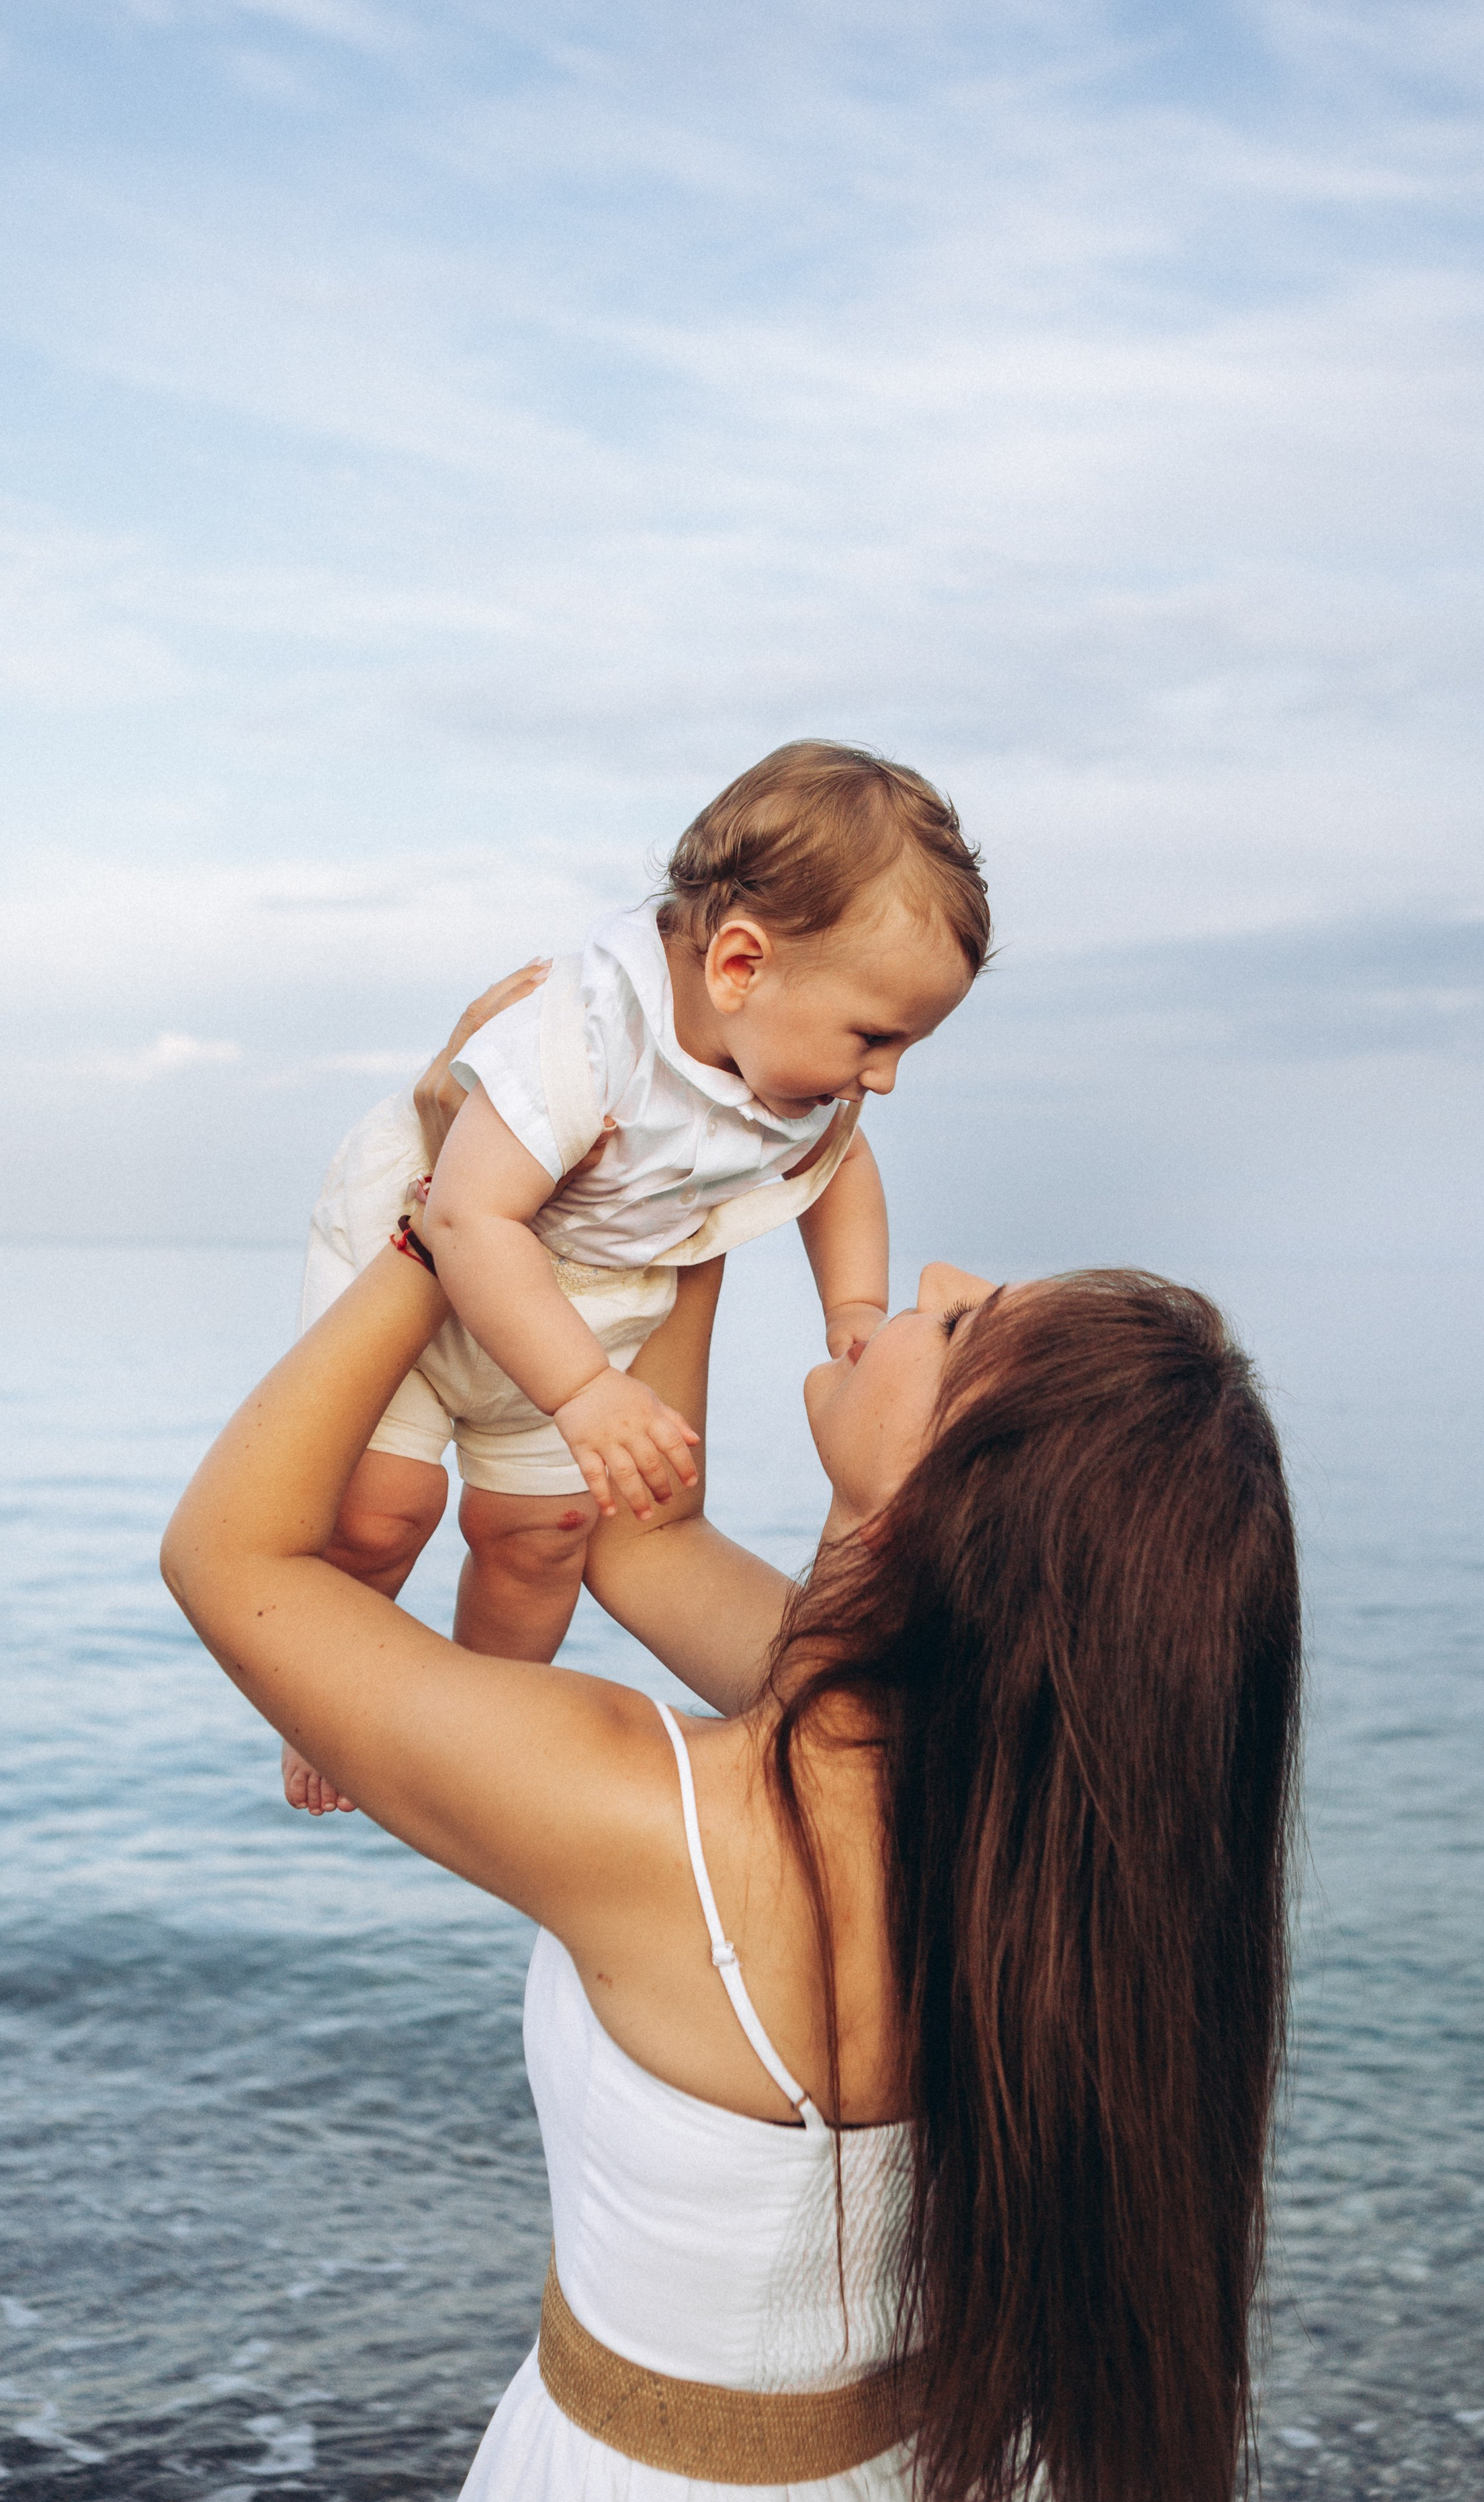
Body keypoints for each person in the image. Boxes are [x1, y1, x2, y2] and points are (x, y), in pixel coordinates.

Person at [163, 1139, 1300, 2502]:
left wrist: (435, 1235)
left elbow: (229, 1559)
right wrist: (688, 1208)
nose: (930, 1276)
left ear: (949, 1488)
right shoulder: (1007, 1801)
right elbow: (642, 1547)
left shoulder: (666, 1826)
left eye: (956, 1324)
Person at [281, 742, 987, 1815]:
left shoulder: (791, 1087)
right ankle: (325, 1706)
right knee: (381, 1514)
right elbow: (467, 1217)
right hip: (437, 1255)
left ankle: (471, 1741)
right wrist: (586, 1393)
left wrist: (850, 1303)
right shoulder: (589, 1035)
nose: (880, 1079)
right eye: (874, 1037)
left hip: (578, 1302)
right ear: (740, 966)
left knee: (543, 1538)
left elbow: (841, 1170)